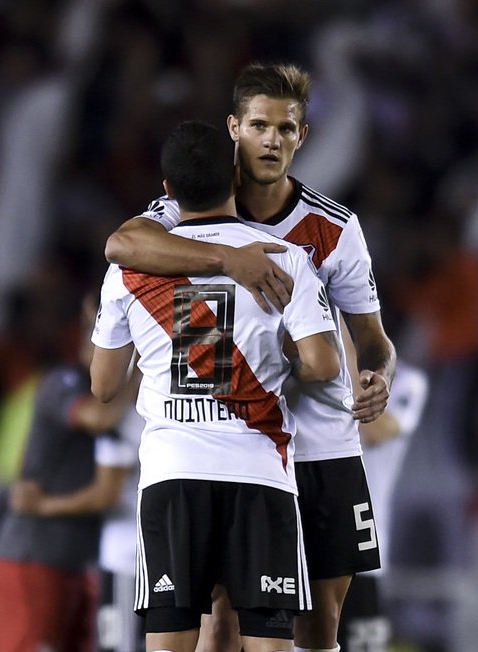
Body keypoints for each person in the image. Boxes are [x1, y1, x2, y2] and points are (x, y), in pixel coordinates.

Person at [104, 62, 397, 652]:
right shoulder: (179, 212)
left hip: (322, 441)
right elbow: (120, 244)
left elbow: (374, 338)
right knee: (222, 623)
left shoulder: (334, 228)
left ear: (303, 137)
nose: (273, 140)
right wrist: (231, 261)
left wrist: (378, 376)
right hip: (242, 444)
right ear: (234, 129)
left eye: (287, 129)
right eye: (261, 126)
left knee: (319, 628)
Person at [0, 293, 132, 652]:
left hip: (79, 560)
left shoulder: (126, 399)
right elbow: (99, 419)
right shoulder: (62, 382)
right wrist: (143, 365)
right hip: (34, 556)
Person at [10, 359, 145, 652]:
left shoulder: (125, 415)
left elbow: (106, 493)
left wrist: (44, 505)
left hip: (125, 557)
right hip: (146, 556)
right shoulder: (164, 412)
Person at [338, 345, 430, 652]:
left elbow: (376, 430)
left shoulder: (407, 380)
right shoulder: (312, 372)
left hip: (366, 550)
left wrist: (347, 356)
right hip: (308, 546)